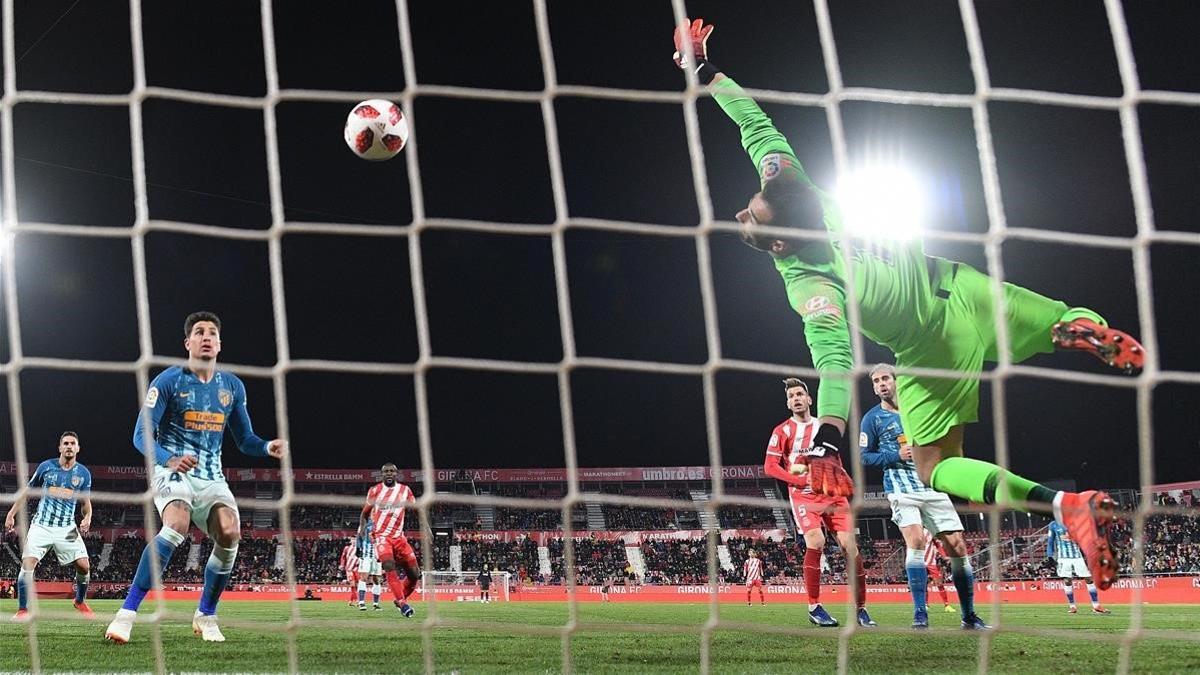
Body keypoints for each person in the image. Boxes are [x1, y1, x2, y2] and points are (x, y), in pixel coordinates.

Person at [674, 17, 1143, 590]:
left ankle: (1064, 505)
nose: (745, 208)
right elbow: (755, 123)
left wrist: (827, 435)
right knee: (1061, 320)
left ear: (779, 243)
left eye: (753, 214)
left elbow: (835, 360)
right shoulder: (795, 185)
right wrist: (702, 69)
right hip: (961, 286)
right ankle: (1082, 326)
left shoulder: (808, 281)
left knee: (935, 467)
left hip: (931, 348)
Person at [105, 311, 287, 644]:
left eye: (212, 332)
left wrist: (266, 447)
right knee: (176, 524)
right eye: (199, 332)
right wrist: (168, 458)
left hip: (211, 477)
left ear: (219, 344)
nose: (206, 336)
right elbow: (140, 433)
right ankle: (126, 615)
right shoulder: (168, 381)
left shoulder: (232, 386)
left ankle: (206, 615)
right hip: (172, 471)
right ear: (188, 342)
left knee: (230, 533)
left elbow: (244, 440)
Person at [860, 363, 985, 629]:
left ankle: (969, 615)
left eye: (885, 379)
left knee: (957, 546)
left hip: (931, 485)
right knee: (915, 541)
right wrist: (895, 455)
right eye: (876, 381)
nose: (881, 384)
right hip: (900, 487)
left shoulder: (920, 408)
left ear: (896, 381)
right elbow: (864, 456)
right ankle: (920, 613)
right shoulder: (872, 419)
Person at [762, 378, 875, 627]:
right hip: (804, 495)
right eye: (791, 396)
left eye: (800, 394)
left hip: (832, 493)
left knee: (850, 546)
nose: (796, 398)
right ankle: (814, 607)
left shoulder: (825, 427)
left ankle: (861, 610)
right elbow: (770, 466)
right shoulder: (783, 431)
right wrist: (796, 480)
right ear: (788, 402)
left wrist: (843, 480)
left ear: (810, 399)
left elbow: (833, 457)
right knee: (816, 540)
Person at [4, 431, 94, 620]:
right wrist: (11, 514)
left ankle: (79, 601)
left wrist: (88, 517)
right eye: (66, 443)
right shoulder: (46, 467)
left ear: (78, 448)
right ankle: (22, 609)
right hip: (42, 526)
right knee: (28, 565)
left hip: (67, 527)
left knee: (84, 567)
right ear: (60, 447)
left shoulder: (83, 473)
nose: (69, 446)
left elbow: (85, 503)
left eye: (73, 443)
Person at [359, 463, 421, 617]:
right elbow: (364, 514)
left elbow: (417, 510)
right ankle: (401, 602)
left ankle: (401, 599)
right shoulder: (374, 491)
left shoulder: (405, 490)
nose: (389, 473)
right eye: (386, 471)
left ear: (396, 473)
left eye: (391, 471)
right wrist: (362, 531)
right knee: (388, 564)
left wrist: (425, 528)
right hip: (381, 537)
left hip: (400, 538)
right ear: (382, 474)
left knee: (415, 574)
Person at [1046, 521, 1110, 614]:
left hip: (1077, 556)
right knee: (1067, 580)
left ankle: (1096, 606)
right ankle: (1072, 607)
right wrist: (1050, 556)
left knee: (1088, 578)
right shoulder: (1053, 524)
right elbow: (1050, 541)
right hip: (1063, 558)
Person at [922, 529, 956, 614]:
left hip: (931, 562)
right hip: (920, 562)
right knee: (923, 584)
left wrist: (944, 556)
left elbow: (937, 545)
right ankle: (925, 605)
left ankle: (947, 605)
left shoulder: (930, 532)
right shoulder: (915, 531)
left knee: (939, 583)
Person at [356, 522, 383, 611]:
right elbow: (359, 537)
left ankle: (375, 604)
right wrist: (358, 548)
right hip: (366, 556)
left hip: (377, 557)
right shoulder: (364, 524)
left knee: (376, 580)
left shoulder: (382, 524)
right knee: (364, 577)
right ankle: (361, 603)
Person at [339, 536, 360, 607]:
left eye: (355, 539)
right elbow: (343, 557)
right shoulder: (347, 548)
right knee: (352, 585)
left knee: (357, 586)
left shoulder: (359, 548)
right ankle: (357, 601)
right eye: (352, 539)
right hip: (349, 568)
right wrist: (342, 564)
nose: (354, 541)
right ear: (350, 541)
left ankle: (351, 601)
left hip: (357, 568)